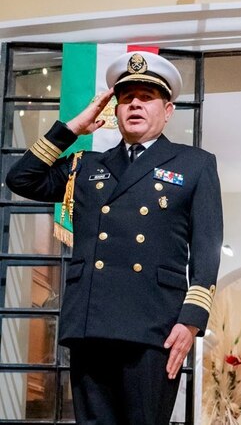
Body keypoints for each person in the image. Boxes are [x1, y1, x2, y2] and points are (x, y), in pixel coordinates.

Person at [6, 51, 223, 425]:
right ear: (114, 109)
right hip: (92, 322)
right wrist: (71, 128)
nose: (135, 103)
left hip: (154, 325)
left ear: (167, 110)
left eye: (146, 96)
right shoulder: (87, 165)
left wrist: (189, 322)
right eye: (126, 97)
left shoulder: (194, 164)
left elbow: (206, 249)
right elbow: (21, 179)